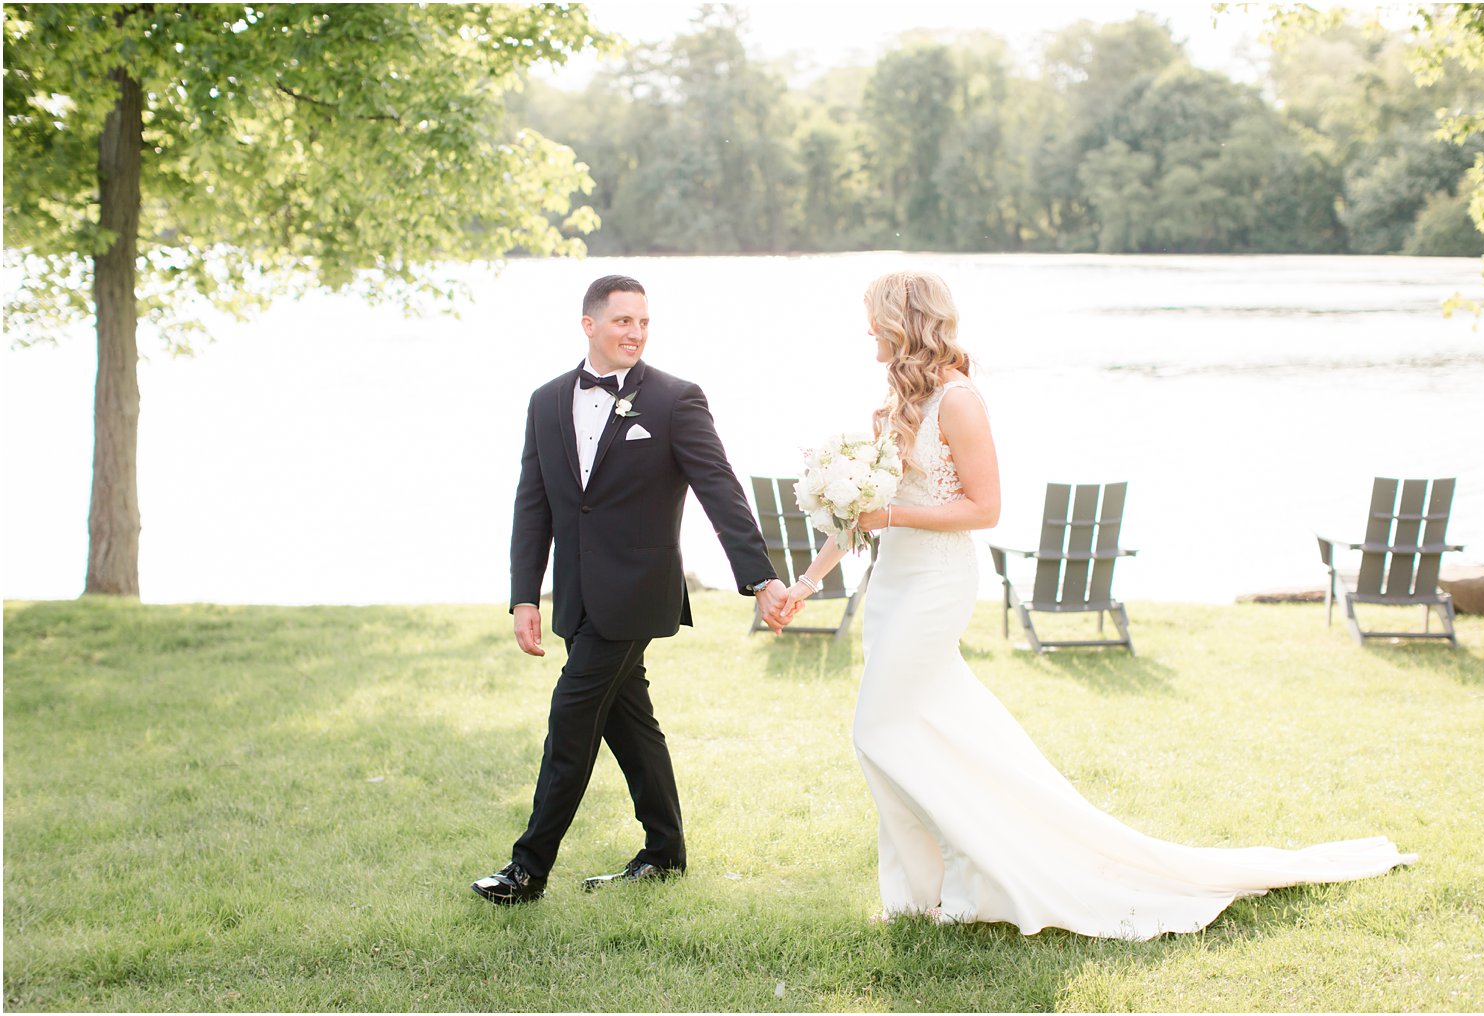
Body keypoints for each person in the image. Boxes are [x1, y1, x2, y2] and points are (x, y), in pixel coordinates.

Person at [781, 270, 1416, 939]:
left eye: (873, 318)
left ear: (902, 320)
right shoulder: (894, 404)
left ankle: (981, 875)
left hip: (936, 584)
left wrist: (894, 514)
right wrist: (806, 581)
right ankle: (922, 894)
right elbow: (859, 511)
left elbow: (985, 508)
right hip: (892, 586)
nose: (866, 330)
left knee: (878, 730)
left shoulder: (960, 400)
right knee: (919, 733)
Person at [471, 274, 793, 906]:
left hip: (638, 592)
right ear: (589, 324)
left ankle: (528, 869)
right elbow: (531, 504)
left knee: (571, 717)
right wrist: (526, 596)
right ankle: (665, 850)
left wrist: (759, 577)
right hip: (579, 596)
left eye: (644, 322)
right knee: (629, 721)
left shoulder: (675, 399)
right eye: (623, 321)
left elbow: (719, 489)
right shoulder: (544, 401)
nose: (636, 333)